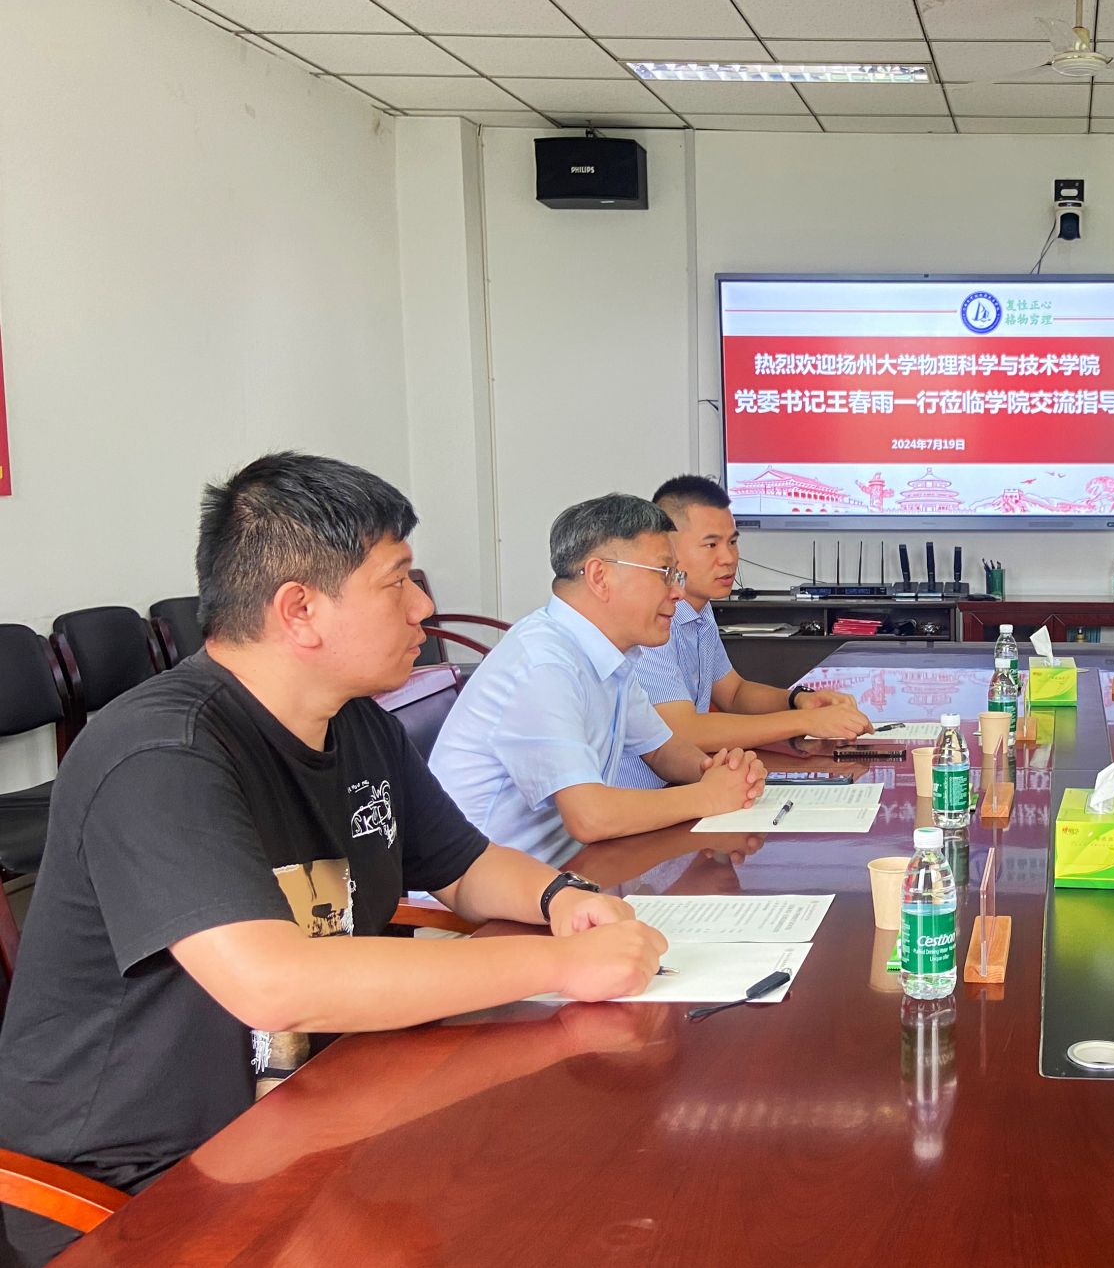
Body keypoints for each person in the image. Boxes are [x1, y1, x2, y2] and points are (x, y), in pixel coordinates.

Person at [0, 454, 668, 1267]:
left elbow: (463, 866)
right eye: (397, 581)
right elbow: (275, 983)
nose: (424, 605)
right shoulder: (161, 752)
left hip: (310, 1123)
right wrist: (562, 964)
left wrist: (562, 896)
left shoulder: (355, 723)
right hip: (141, 1193)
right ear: (300, 610)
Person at [430, 493, 765, 867]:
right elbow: (590, 817)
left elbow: (661, 750)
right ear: (599, 576)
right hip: (485, 893)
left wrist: (717, 772)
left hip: (568, 870)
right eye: (664, 573)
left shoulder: (609, 652)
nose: (678, 591)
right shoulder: (543, 665)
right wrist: (708, 796)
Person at [627, 476, 873, 755]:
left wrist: (798, 700)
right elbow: (684, 731)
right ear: (667, 549)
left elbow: (734, 693)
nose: (729, 558)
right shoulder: (650, 620)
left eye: (732, 542)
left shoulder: (700, 609)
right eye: (711, 545)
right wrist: (805, 721)